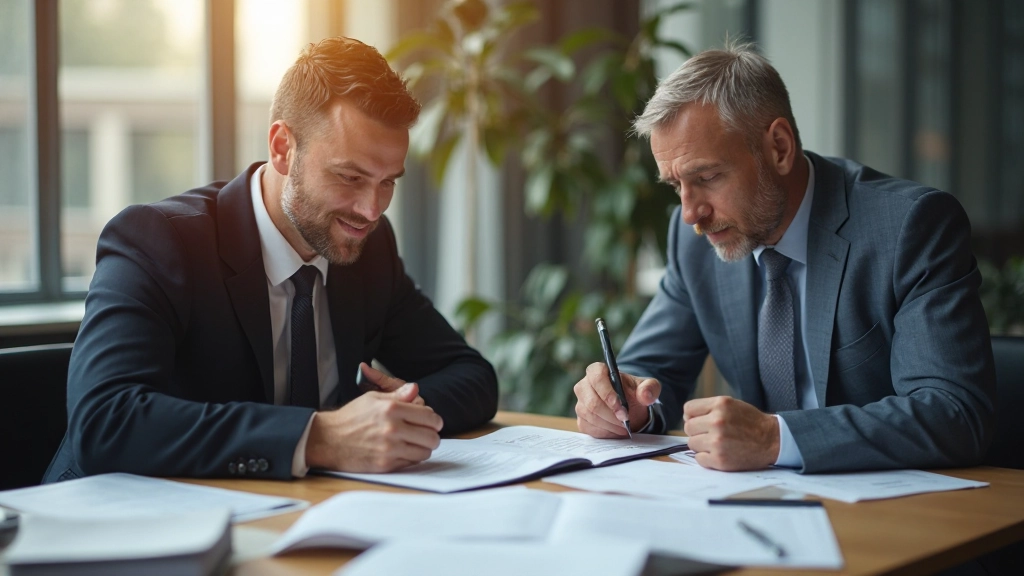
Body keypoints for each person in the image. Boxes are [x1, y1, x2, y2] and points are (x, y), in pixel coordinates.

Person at [43, 37, 498, 483]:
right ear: (282, 148)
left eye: (387, 182)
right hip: (123, 527)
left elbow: (473, 377)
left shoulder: (367, 248)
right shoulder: (159, 241)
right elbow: (103, 421)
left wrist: (400, 414)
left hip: (294, 515)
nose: (371, 209)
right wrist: (319, 436)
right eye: (350, 176)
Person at [572, 42, 996, 473]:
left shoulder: (910, 227)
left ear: (778, 146)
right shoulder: (695, 242)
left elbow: (954, 414)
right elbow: (650, 372)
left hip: (894, 515)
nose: (690, 214)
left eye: (707, 177)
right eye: (675, 185)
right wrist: (622, 402)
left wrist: (776, 438)